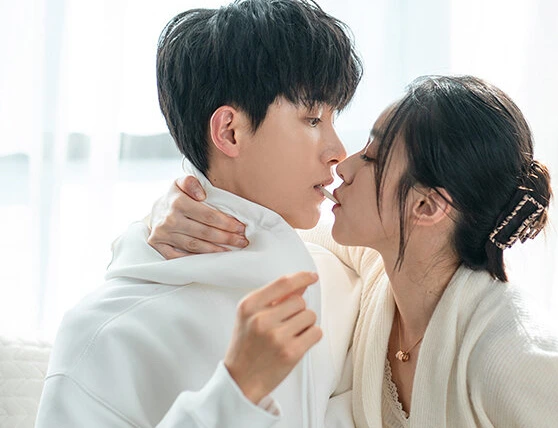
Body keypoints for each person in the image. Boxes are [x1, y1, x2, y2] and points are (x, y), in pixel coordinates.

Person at [150, 75, 558, 427]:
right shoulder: (383, 269)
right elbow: (269, 228)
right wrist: (174, 208)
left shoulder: (505, 350)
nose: (343, 165)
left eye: (372, 157)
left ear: (426, 206)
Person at [35, 1, 363, 426]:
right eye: (314, 118)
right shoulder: (105, 333)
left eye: (334, 119)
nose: (338, 151)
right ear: (230, 131)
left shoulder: (335, 285)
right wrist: (235, 393)